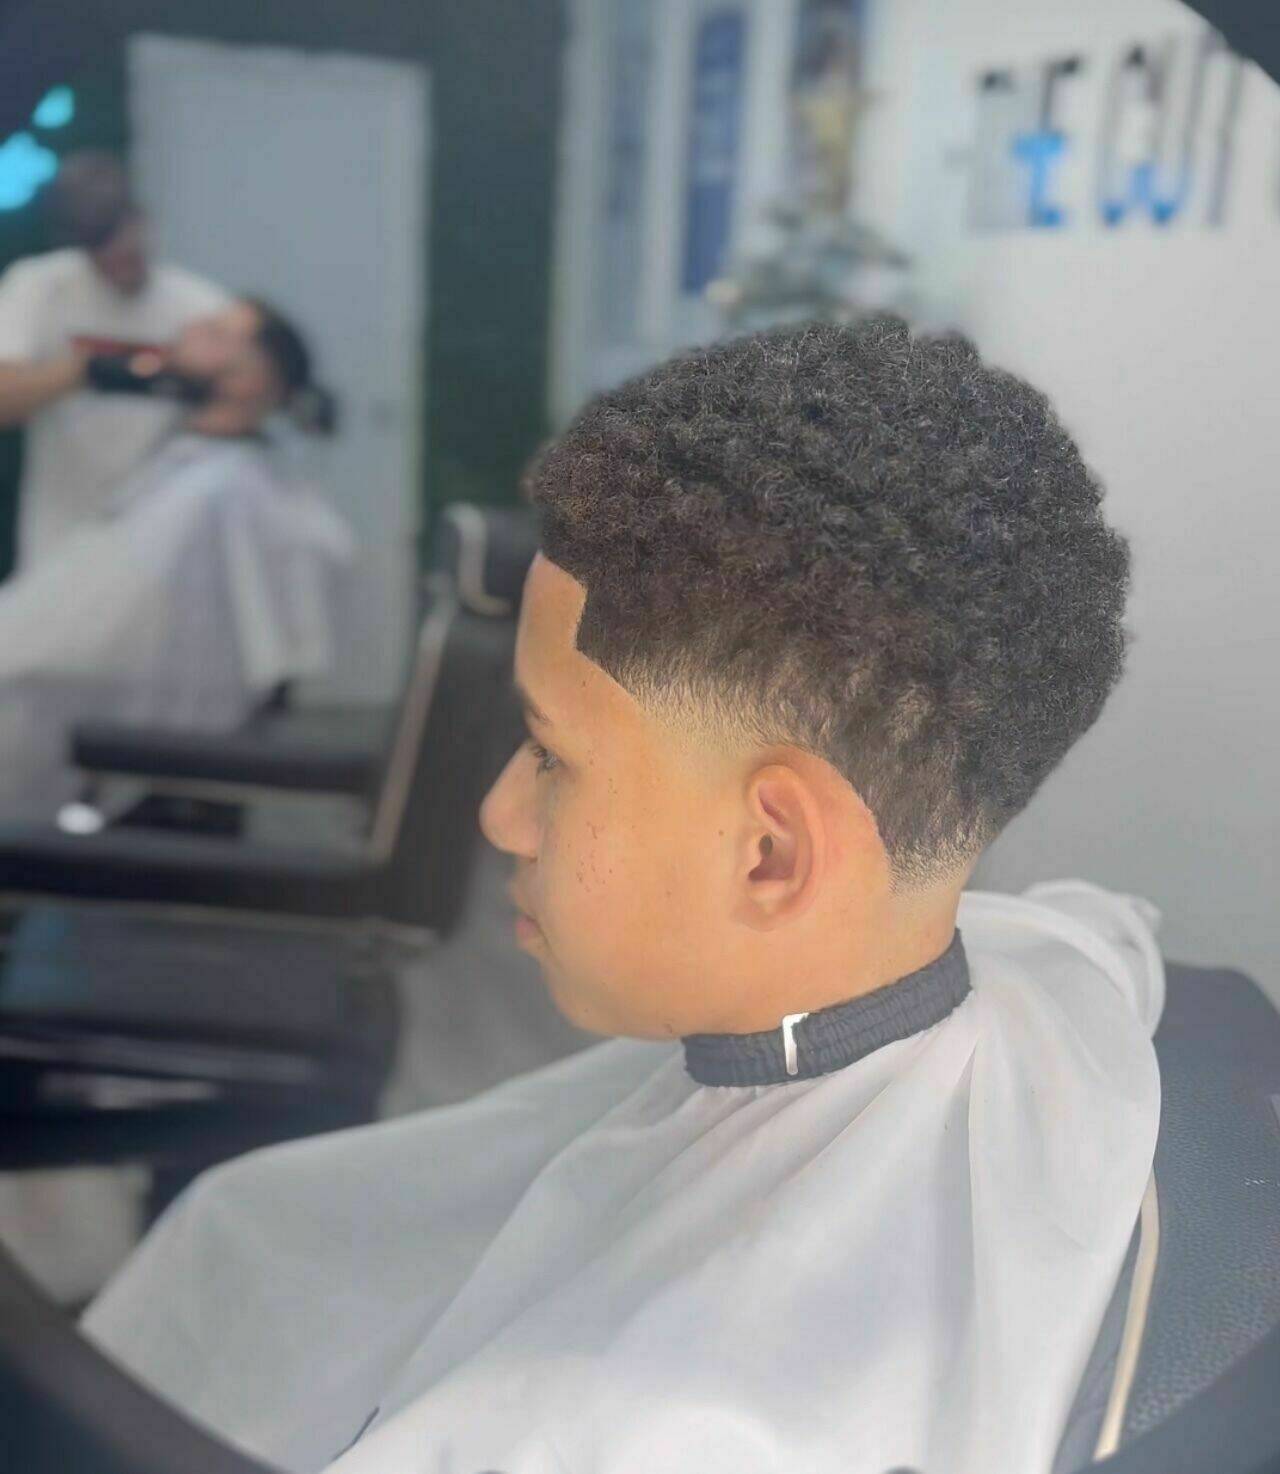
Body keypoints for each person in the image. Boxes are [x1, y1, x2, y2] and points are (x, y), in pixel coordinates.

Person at [83, 318, 1163, 1474]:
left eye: (549, 755)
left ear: (769, 854)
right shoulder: (1060, 967)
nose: (499, 813)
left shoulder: (672, 1429)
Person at [0, 298, 352, 819]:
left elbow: (93, 635)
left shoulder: (223, 491)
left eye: (216, 331)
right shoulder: (204, 470)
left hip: (141, 757)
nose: (188, 328)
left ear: (249, 380)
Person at [0, 151, 227, 568]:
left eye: (124, 239)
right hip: (60, 538)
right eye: (99, 245)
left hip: (162, 544)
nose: (119, 256)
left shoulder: (201, 309)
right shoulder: (39, 287)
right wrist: (84, 371)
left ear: (141, 220)